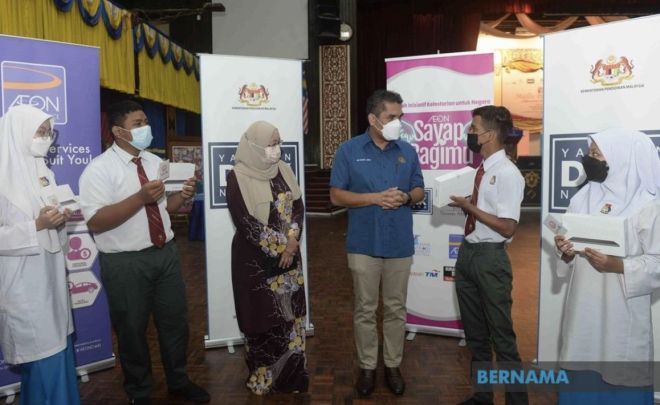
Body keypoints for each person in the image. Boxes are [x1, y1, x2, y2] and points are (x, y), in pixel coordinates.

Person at [78, 100, 209, 405]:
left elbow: (165, 209)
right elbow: (96, 221)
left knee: (175, 323)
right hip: (125, 262)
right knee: (132, 329)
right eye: (138, 124)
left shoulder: (153, 163)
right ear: (117, 131)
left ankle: (178, 380)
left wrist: (181, 197)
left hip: (165, 255)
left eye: (145, 122)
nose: (146, 128)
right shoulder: (98, 171)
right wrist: (139, 197)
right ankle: (139, 391)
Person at [329, 89, 425, 397]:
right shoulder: (349, 150)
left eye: (400, 116)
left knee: (396, 308)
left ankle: (392, 365)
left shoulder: (407, 152)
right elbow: (336, 195)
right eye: (391, 117)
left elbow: (419, 189)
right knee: (365, 309)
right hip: (363, 243)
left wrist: (407, 197)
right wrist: (375, 198)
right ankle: (368, 367)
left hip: (399, 243)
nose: (398, 122)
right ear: (373, 119)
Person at [554, 128, 660, 405]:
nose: (590, 160)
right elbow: (569, 250)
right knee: (580, 365)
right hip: (583, 310)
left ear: (622, 158)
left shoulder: (648, 205)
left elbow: (658, 262)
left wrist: (619, 266)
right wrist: (565, 252)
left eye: (596, 154)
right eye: (589, 153)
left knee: (620, 374)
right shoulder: (582, 197)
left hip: (623, 312)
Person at [0, 104, 79, 404]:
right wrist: (36, 225)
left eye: (49, 132)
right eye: (40, 132)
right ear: (19, 133)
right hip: (21, 286)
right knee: (43, 357)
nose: (46, 138)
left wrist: (58, 219)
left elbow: (51, 229)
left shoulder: (43, 171)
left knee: (54, 352)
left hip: (50, 282)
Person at [449, 105, 528, 405]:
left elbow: (508, 227)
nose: (470, 133)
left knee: (502, 339)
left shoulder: (508, 173)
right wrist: (471, 203)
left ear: (490, 134)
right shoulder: (483, 170)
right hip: (468, 254)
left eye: (473, 128)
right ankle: (483, 396)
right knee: (476, 335)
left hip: (491, 259)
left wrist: (471, 208)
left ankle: (517, 401)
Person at [225, 121, 308, 395]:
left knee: (290, 319)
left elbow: (297, 206)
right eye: (271, 144)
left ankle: (292, 378)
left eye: (279, 142)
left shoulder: (283, 169)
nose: (277, 149)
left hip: (289, 260)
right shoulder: (237, 176)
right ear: (254, 146)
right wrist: (282, 246)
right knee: (262, 321)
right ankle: (264, 381)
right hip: (256, 264)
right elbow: (246, 222)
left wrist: (293, 241)